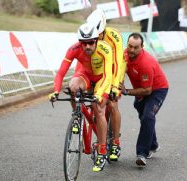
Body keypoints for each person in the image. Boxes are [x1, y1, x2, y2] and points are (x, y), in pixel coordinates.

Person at [48, 23, 113, 172]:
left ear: (96, 40)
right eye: (83, 43)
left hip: (102, 79)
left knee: (99, 109)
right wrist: (56, 91)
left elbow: (108, 75)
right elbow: (60, 73)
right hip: (85, 76)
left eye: (90, 42)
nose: (87, 47)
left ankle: (102, 151)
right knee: (73, 87)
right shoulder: (73, 49)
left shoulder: (105, 49)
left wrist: (98, 94)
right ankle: (77, 115)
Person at [76, 9, 126, 161]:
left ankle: (116, 143)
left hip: (114, 69)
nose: (95, 39)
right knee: (93, 101)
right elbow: (81, 62)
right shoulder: (88, 38)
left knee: (111, 104)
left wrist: (115, 87)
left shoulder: (114, 36)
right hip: (96, 69)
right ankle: (100, 135)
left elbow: (117, 63)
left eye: (99, 35)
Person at [119, 33, 169, 167]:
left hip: (157, 90)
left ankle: (142, 153)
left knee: (148, 117)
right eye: (130, 46)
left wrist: (126, 91)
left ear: (142, 47)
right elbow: (119, 71)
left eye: (136, 47)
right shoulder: (124, 55)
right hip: (141, 90)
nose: (132, 50)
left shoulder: (146, 63)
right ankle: (153, 144)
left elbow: (147, 90)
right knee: (144, 117)